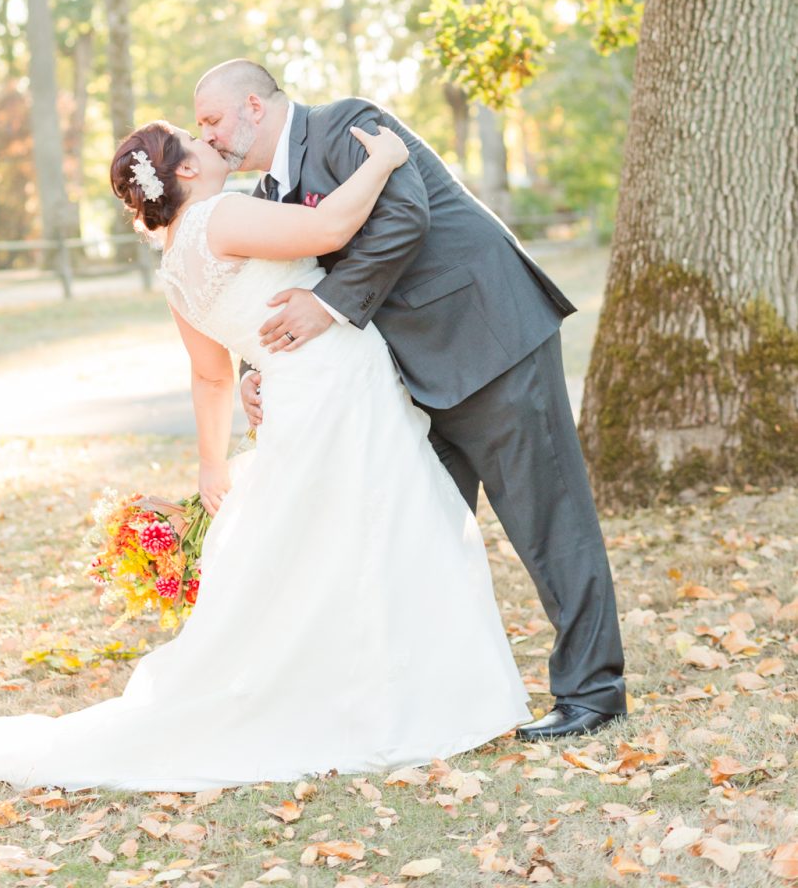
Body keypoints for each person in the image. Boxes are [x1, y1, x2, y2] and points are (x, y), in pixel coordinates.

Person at [0, 115, 529, 798]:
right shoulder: (219, 218)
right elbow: (327, 231)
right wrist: (383, 162)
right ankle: (407, 699)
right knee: (380, 529)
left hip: (298, 397)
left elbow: (212, 375)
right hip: (335, 386)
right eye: (199, 141)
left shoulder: (176, 267)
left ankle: (380, 692)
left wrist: (213, 465)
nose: (215, 142)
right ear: (187, 171)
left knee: (346, 540)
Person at [193, 59, 626, 741]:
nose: (209, 136)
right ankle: (439, 700)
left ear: (252, 105)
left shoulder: (347, 124)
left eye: (211, 120)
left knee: (549, 524)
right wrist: (256, 367)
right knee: (417, 540)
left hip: (488, 340)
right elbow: (282, 275)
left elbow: (405, 215)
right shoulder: (268, 191)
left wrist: (327, 306)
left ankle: (593, 693)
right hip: (410, 383)